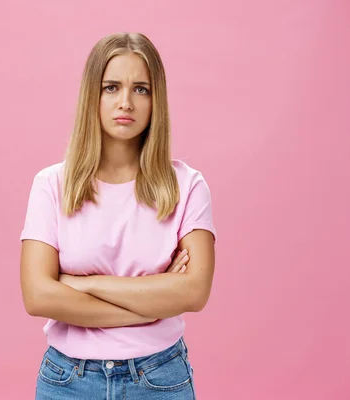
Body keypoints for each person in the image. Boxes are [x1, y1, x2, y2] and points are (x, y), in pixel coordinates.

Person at [19, 32, 217, 400]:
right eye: (111, 87)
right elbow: (38, 296)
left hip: (159, 378)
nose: (125, 102)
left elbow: (194, 291)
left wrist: (80, 284)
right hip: (68, 381)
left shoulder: (188, 185)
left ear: (156, 99)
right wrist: (150, 307)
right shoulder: (51, 184)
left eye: (140, 89)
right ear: (92, 95)